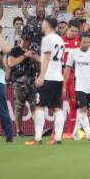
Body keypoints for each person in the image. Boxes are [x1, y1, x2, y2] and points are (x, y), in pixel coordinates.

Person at [27, 17, 65, 145]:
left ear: (47, 24)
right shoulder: (60, 39)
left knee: (39, 106)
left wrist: (41, 76)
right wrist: (38, 58)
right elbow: (55, 60)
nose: (41, 24)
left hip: (48, 77)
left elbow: (48, 58)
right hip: (58, 77)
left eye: (43, 22)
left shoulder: (47, 39)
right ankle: (58, 138)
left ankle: (38, 138)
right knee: (57, 108)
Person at [65, 33, 90, 141]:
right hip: (79, 86)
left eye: (88, 42)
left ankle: (75, 134)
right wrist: (64, 85)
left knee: (81, 111)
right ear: (79, 41)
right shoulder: (73, 53)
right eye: (84, 42)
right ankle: (88, 134)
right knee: (83, 109)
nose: (86, 44)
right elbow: (67, 69)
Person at [8, 34, 38, 138]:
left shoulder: (33, 50)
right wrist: (25, 55)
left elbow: (39, 64)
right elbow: (11, 63)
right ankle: (19, 131)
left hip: (31, 82)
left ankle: (38, 130)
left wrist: (34, 56)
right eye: (26, 40)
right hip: (19, 82)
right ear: (21, 40)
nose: (27, 42)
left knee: (35, 106)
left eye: (29, 40)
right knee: (19, 108)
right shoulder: (15, 50)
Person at [60, 19, 81, 139]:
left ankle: (69, 132)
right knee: (58, 103)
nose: (73, 33)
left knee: (73, 104)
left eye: (76, 31)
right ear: (68, 29)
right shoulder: (61, 41)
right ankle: (57, 132)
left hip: (73, 75)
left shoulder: (79, 42)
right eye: (72, 30)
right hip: (60, 74)